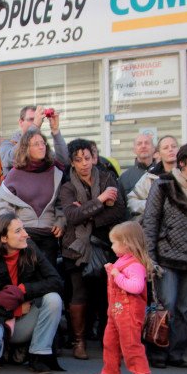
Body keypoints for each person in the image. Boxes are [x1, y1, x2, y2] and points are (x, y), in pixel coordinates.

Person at [141, 142, 187, 369]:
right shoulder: (164, 184)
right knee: (165, 304)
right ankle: (158, 352)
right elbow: (150, 222)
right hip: (166, 255)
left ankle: (176, 353)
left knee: (183, 308)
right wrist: (150, 258)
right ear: (183, 162)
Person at [0, 213, 63, 373]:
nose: (26, 234)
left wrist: (23, 289)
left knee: (53, 299)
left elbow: (56, 281)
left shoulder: (31, 249)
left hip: (24, 322)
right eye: (18, 231)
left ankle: (38, 356)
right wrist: (15, 310)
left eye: (23, 229)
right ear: (4, 238)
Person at [58, 138, 125, 360]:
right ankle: (79, 341)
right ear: (72, 163)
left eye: (87, 158)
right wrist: (100, 200)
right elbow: (71, 215)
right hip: (75, 247)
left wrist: (87, 212)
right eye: (78, 160)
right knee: (79, 293)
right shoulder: (67, 186)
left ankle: (111, 341)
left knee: (107, 295)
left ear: (93, 157)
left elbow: (118, 212)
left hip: (105, 244)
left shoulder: (107, 178)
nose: (84, 163)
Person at [92, 221, 154, 374]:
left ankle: (141, 373)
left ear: (126, 243)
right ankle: (110, 371)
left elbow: (136, 287)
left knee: (131, 343)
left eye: (114, 243)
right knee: (110, 342)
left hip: (130, 313)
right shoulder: (122, 261)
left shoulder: (135, 265)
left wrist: (116, 275)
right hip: (116, 311)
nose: (112, 247)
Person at [0, 129, 65, 269]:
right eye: (36, 144)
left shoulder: (55, 172)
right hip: (24, 235)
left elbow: (61, 203)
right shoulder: (14, 174)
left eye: (42, 143)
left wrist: (60, 220)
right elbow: (4, 208)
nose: (41, 146)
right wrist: (14, 232)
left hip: (49, 235)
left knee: (49, 281)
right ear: (26, 148)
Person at [0, 105, 69, 175]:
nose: (36, 122)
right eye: (31, 119)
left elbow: (63, 163)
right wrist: (35, 125)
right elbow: (9, 160)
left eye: (37, 119)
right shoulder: (7, 144)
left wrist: (55, 131)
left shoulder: (41, 146)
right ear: (21, 122)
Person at [126, 135, 178, 220]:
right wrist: (153, 206)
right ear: (158, 154)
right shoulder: (150, 176)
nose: (170, 149)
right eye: (165, 148)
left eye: (174, 146)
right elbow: (132, 202)